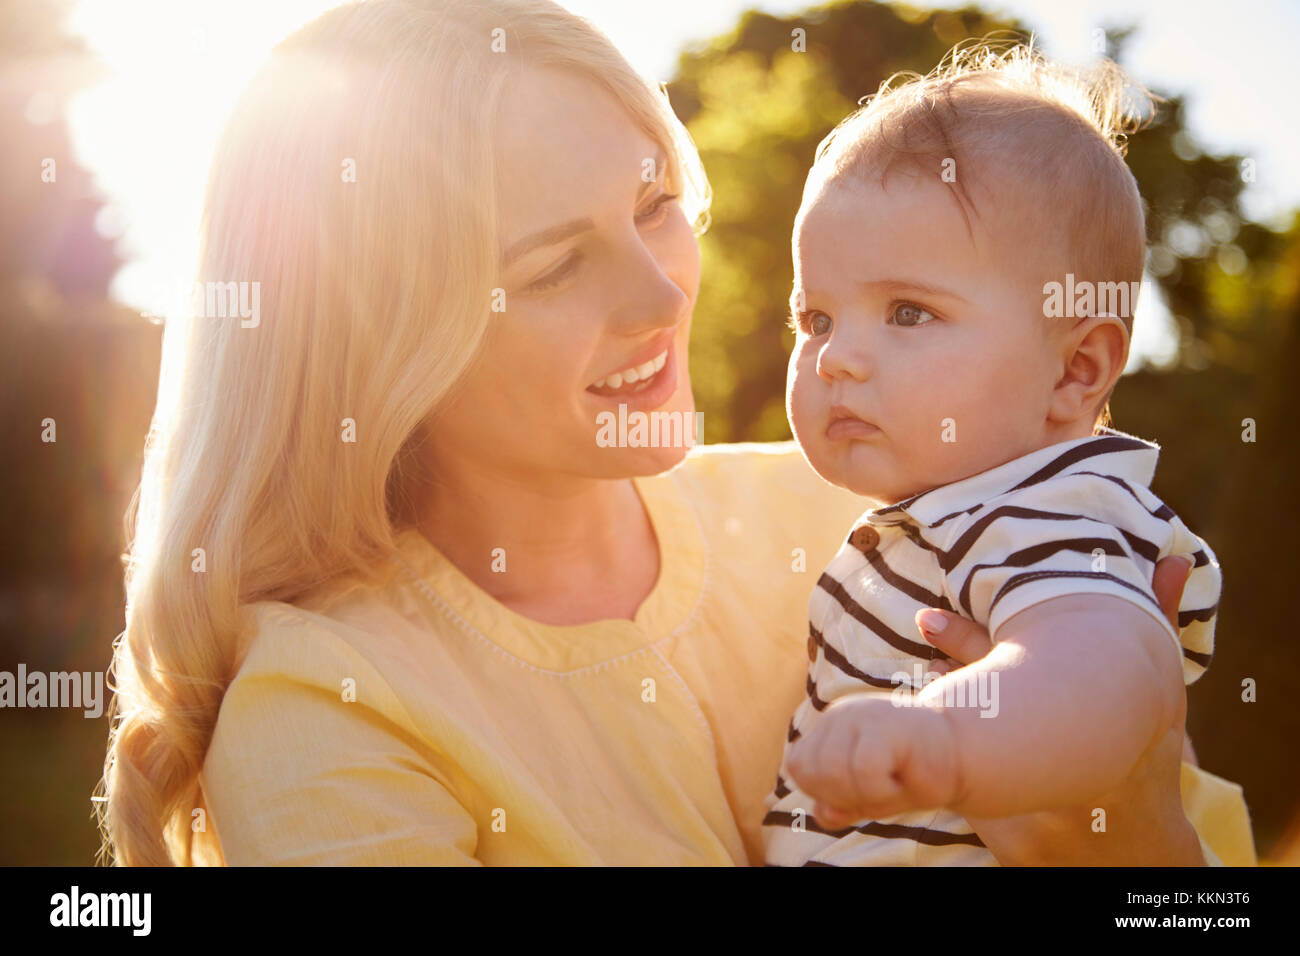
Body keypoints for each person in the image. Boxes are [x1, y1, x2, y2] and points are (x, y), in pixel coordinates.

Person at [94, 0, 1254, 866]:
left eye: (656, 205)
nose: (659, 293)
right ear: (375, 340)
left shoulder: (879, 506)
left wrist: (1131, 835)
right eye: (553, 264)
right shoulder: (327, 711)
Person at [763, 44, 1226, 866]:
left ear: (1075, 369)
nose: (834, 358)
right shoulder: (942, 516)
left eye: (908, 312)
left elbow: (1100, 671)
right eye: (818, 319)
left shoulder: (1043, 513)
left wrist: (944, 738)